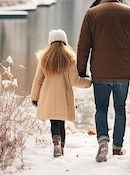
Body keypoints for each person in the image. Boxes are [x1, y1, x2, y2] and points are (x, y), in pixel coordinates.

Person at [77, 0, 130, 162]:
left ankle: (103, 140)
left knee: (100, 108)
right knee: (120, 110)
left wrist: (81, 70)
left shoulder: (92, 13)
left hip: (100, 72)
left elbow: (83, 46)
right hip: (123, 73)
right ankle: (117, 147)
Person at [31, 29, 92, 157]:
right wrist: (89, 82)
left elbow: (38, 80)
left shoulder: (44, 59)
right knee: (61, 123)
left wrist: (35, 97)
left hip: (48, 97)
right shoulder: (69, 59)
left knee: (54, 122)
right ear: (65, 42)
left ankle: (56, 142)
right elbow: (75, 81)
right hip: (64, 97)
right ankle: (62, 148)